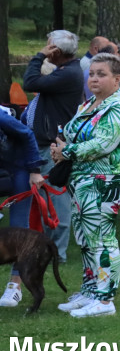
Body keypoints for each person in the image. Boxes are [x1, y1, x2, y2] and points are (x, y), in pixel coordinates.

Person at [49, 52, 120, 318]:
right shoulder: (91, 103)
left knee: (101, 238)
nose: (94, 78)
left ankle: (105, 298)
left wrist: (68, 151)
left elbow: (103, 144)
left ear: (117, 78)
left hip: (106, 179)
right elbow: (73, 134)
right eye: (92, 73)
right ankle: (90, 291)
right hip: (83, 179)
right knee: (86, 239)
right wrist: (61, 149)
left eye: (102, 74)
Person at [21, 29, 84, 262]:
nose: (46, 48)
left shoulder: (68, 74)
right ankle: (49, 249)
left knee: (58, 199)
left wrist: (38, 56)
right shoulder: (66, 71)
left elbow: (30, 82)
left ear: (55, 50)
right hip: (47, 142)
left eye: (48, 45)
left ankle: (57, 254)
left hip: (52, 145)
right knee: (49, 200)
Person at [0, 107, 45, 308]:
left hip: (18, 167)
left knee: (19, 227)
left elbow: (27, 134)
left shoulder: (2, 118)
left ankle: (15, 286)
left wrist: (34, 170)